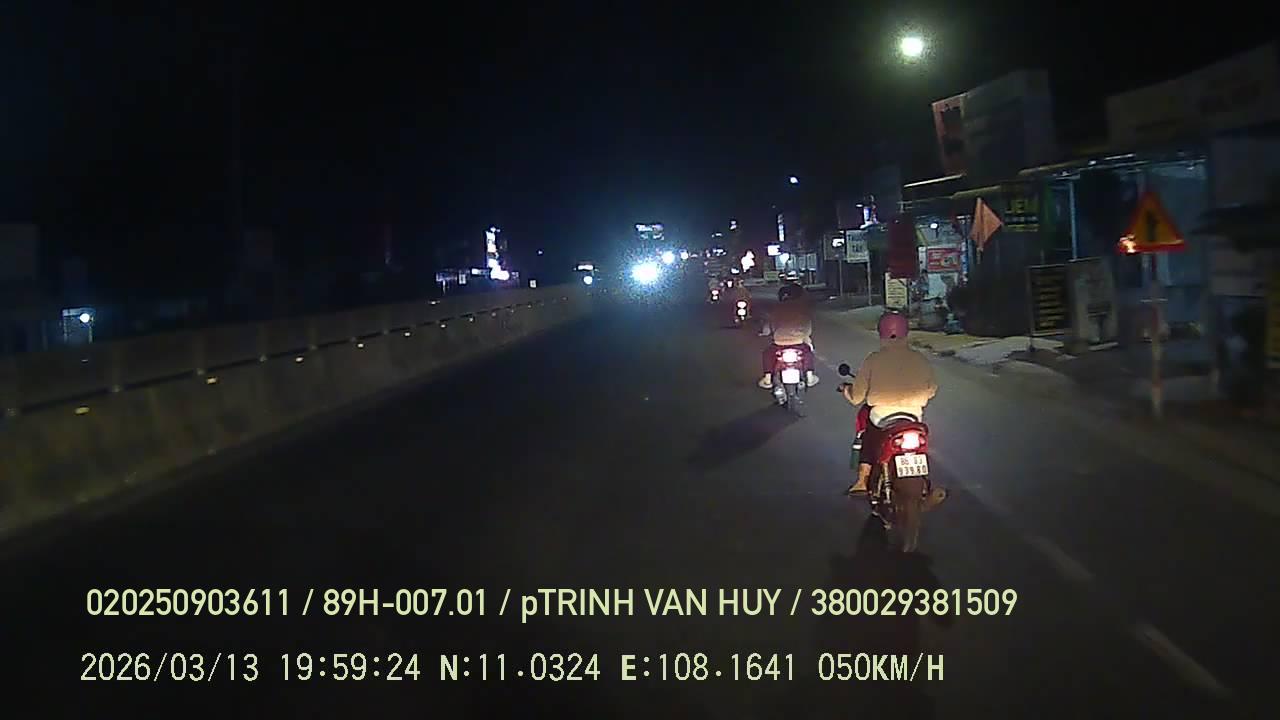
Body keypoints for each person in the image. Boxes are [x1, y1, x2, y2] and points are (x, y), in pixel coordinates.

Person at [841, 311, 937, 495]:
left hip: (882, 415)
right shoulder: (920, 359)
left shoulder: (873, 360)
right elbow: (932, 389)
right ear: (906, 332)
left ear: (881, 333)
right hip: (913, 415)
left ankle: (862, 481)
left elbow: (857, 397)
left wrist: (847, 390)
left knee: (867, 437)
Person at [758, 282, 819, 389]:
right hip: (798, 342)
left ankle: (767, 379)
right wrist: (805, 336)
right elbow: (807, 326)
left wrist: (765, 332)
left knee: (767, 354)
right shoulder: (802, 308)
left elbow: (768, 326)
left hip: (779, 343)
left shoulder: (777, 308)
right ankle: (809, 376)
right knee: (808, 353)